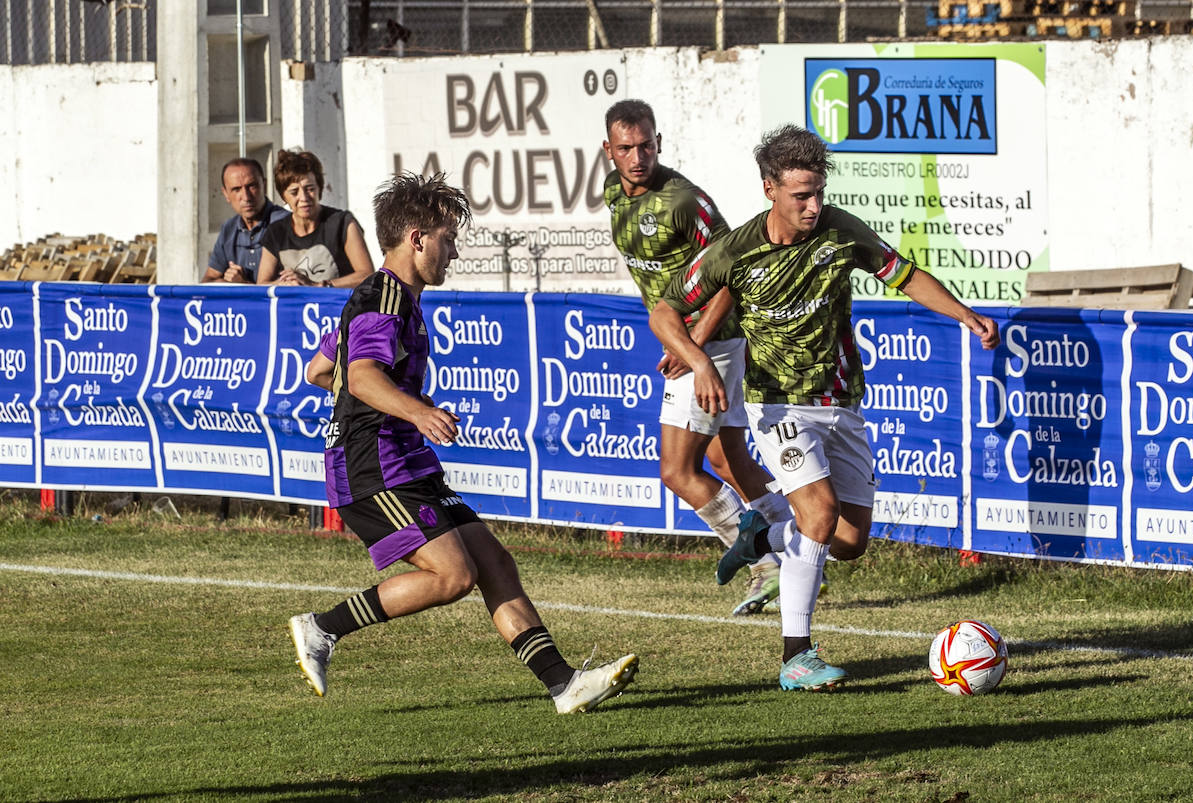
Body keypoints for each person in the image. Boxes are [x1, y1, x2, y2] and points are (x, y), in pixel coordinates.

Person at [650, 125, 1000, 691]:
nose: (813, 206)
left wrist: (964, 315)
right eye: (800, 195)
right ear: (770, 189)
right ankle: (797, 656)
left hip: (840, 403)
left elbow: (903, 274)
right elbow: (665, 311)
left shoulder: (841, 232)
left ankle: (761, 535)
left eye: (818, 192)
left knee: (850, 541)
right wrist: (700, 362)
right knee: (817, 513)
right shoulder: (736, 250)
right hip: (776, 405)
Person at [289, 171, 637, 714]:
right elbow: (358, 378)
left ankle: (564, 686)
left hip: (402, 459)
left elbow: (320, 370)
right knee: (453, 575)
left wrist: (393, 402)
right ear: (416, 238)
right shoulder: (385, 296)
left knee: (494, 563)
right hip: (371, 465)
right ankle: (320, 628)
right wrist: (417, 410)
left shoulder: (386, 296)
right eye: (447, 238)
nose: (453, 250)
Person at [602, 99, 795, 617]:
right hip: (690, 343)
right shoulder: (613, 195)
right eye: (626, 148)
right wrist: (676, 339)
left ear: (659, 142)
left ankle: (765, 562)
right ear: (609, 151)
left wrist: (694, 346)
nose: (637, 156)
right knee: (723, 460)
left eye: (646, 145)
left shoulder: (684, 201)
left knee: (676, 470)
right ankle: (801, 549)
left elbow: (733, 271)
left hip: (714, 343)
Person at [257, 149, 375, 288]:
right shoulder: (276, 232)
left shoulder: (343, 223)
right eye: (294, 192)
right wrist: (286, 283)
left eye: (310, 189)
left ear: (320, 188)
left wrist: (319, 285)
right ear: (283, 197)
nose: (304, 198)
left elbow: (367, 275)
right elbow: (262, 285)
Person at [202, 157, 290, 283]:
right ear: (226, 194)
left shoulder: (285, 223)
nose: (246, 197)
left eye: (252, 186)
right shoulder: (229, 229)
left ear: (264, 186)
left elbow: (295, 286)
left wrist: (242, 285)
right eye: (236, 189)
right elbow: (208, 281)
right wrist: (222, 283)